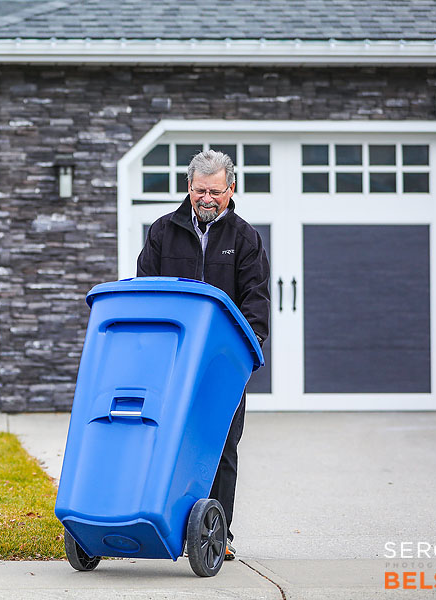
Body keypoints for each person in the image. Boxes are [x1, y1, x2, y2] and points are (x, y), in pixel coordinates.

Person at [136, 149, 270, 561]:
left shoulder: (244, 239)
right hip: (172, 364)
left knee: (222, 448)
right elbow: (145, 292)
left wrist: (242, 358)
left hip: (221, 368)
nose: (206, 198)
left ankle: (217, 534)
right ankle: (159, 521)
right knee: (165, 441)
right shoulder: (163, 231)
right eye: (199, 190)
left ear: (232, 189)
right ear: (188, 187)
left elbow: (256, 306)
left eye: (215, 190)